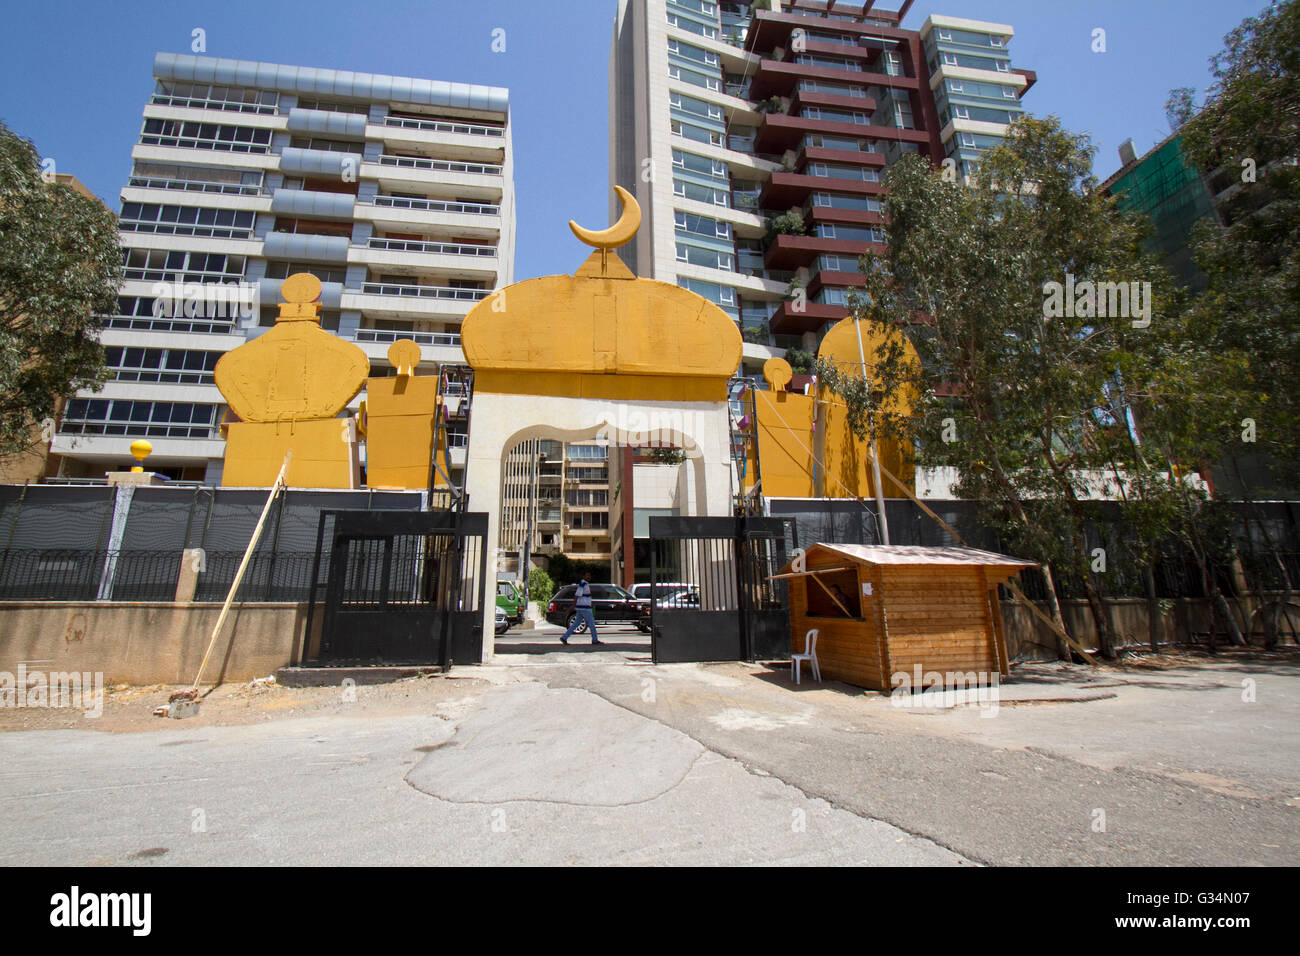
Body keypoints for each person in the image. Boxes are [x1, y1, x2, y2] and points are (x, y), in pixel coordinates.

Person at [561, 577, 602, 645]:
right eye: (587, 575)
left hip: (581, 608)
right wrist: (573, 606)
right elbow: (577, 595)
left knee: (576, 623)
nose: (589, 577)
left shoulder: (584, 584)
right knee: (591, 624)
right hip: (585, 608)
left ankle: (564, 637)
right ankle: (595, 640)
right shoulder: (583, 584)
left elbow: (584, 596)